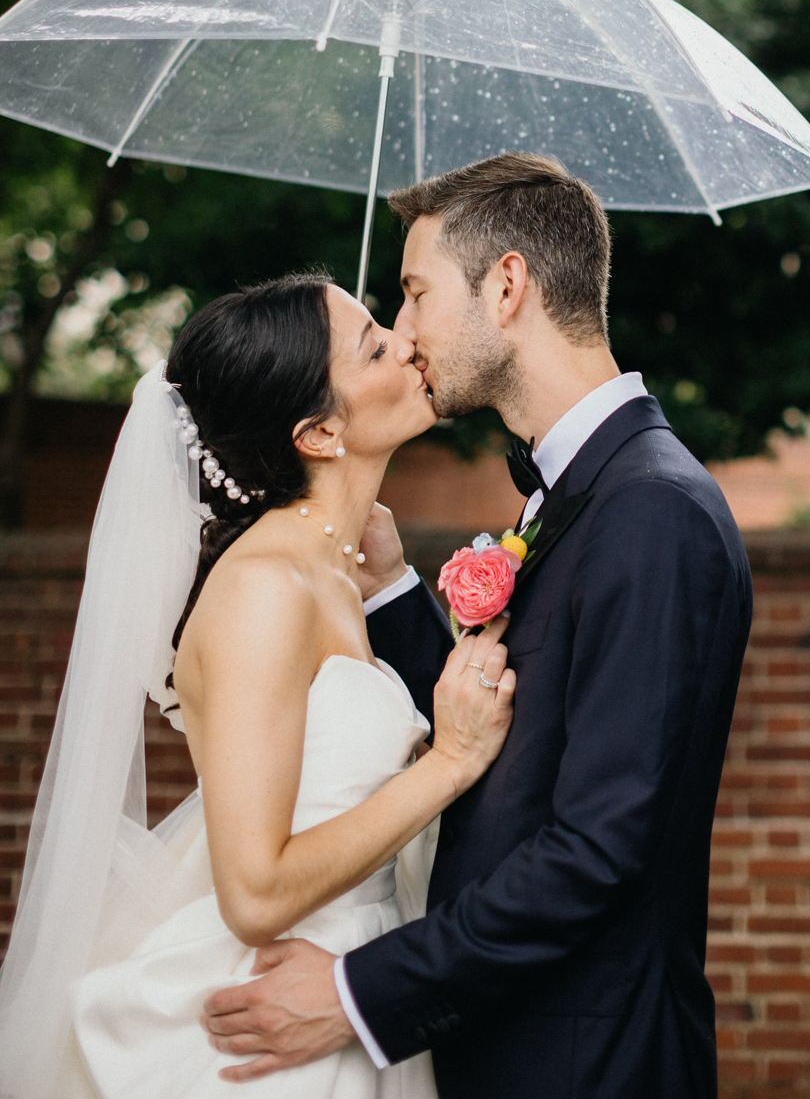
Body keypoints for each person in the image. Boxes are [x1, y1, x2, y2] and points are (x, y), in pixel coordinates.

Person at [203, 154, 754, 1099]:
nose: (406, 332)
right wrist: (391, 593)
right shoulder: (572, 494)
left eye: (415, 294)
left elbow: (598, 849)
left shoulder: (653, 509)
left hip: (589, 1063)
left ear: (506, 285)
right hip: (504, 1052)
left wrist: (354, 995)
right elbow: (507, 728)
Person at [0, 272, 515, 1099]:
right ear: (316, 433)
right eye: (375, 346)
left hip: (354, 985)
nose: (408, 342)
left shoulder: (333, 576)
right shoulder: (265, 589)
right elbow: (255, 891)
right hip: (273, 1031)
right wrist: (446, 764)